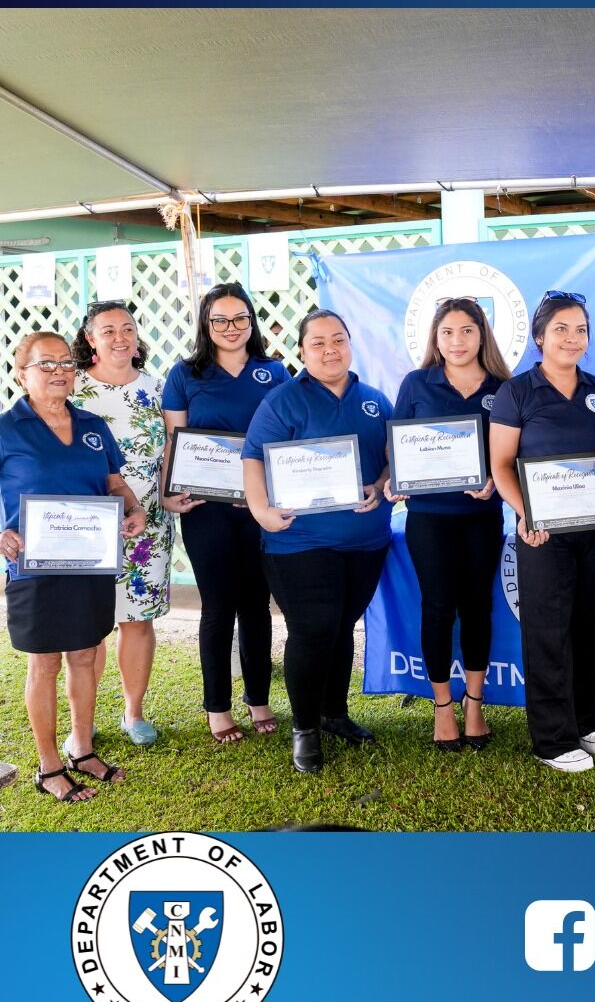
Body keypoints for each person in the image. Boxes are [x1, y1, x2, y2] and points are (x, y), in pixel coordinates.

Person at [243, 309, 392, 773]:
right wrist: (261, 510)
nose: (331, 350)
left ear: (350, 344)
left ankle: (334, 714)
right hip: (300, 542)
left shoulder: (375, 401)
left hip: (365, 541)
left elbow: (393, 459)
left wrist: (381, 483)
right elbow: (252, 458)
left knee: (343, 625)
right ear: (302, 352)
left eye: (338, 340)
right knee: (313, 630)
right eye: (319, 343)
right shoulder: (282, 401)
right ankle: (304, 728)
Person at [0, 332, 146, 802]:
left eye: (65, 362)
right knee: (44, 663)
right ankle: (49, 767)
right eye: (46, 364)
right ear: (22, 374)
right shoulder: (6, 428)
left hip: (90, 561)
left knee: (85, 654)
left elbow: (114, 482)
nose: (59, 371)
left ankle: (82, 748)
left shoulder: (92, 425)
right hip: (34, 568)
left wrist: (133, 508)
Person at [489, 290, 595, 772]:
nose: (572, 338)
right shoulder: (517, 393)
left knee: (592, 626)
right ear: (539, 337)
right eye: (561, 329)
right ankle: (552, 739)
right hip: (541, 535)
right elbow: (501, 464)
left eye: (580, 330)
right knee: (548, 632)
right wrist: (526, 512)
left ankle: (586, 720)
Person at [162, 283, 289, 742]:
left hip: (258, 508)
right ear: (206, 324)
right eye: (220, 319)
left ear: (251, 322)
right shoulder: (184, 374)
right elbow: (174, 442)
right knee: (217, 606)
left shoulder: (274, 372)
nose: (231, 328)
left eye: (240, 318)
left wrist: (265, 492)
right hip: (205, 509)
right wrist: (168, 492)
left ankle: (258, 699)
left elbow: (286, 436)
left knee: (257, 605)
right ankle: (216, 706)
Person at [387, 297, 511, 751]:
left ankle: (474, 704)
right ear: (435, 339)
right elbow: (396, 447)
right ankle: (442, 706)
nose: (457, 341)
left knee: (478, 607)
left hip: (481, 518)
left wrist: (496, 480)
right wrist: (396, 478)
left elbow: (514, 452)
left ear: (482, 335)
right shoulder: (416, 383)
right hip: (429, 520)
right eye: (447, 332)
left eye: (467, 331)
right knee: (438, 608)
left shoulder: (504, 388)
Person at [70, 301, 175, 746]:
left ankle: (134, 713)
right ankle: (83, 721)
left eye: (127, 328)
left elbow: (173, 451)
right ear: (90, 338)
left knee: (138, 620)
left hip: (149, 523)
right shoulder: (71, 387)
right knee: (87, 625)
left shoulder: (159, 388)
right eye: (108, 330)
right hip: (86, 524)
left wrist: (170, 493)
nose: (120, 337)